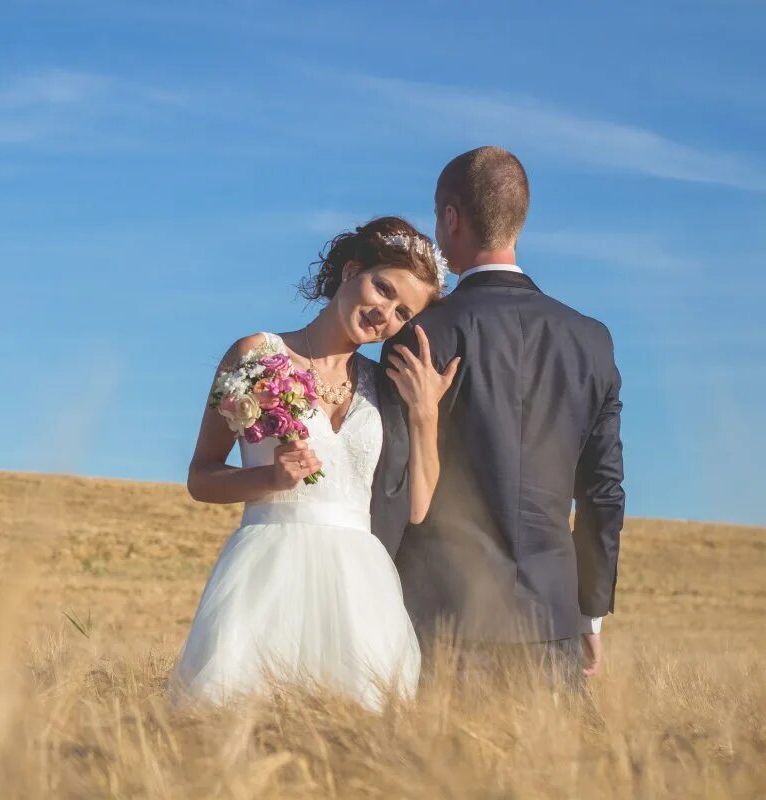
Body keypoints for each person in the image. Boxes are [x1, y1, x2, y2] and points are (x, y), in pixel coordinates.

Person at [172, 216, 459, 709]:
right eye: (382, 288)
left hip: (360, 589)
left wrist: (425, 414)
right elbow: (201, 476)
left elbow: (420, 505)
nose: (384, 313)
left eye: (402, 313)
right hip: (268, 574)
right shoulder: (256, 354)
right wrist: (268, 477)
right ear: (351, 271)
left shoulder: (385, 387)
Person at [385, 147, 625, 688]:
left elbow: (393, 484)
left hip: (439, 619)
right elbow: (604, 492)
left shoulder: (420, 335)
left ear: (450, 218)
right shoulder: (591, 341)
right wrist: (589, 612)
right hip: (553, 619)